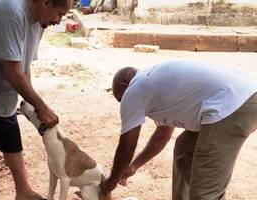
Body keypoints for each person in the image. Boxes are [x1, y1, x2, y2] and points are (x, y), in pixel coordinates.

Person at [0, 0, 71, 199]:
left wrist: (34, 104)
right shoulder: (12, 13)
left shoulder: (39, 21)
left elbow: (23, 67)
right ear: (46, 3)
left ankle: (23, 191)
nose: (58, 21)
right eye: (59, 14)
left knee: (8, 129)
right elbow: (14, 74)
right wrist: (41, 107)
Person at [100, 60, 257, 200]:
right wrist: (134, 166)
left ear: (124, 86)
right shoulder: (154, 83)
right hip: (241, 98)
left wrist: (109, 184)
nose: (123, 103)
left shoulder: (135, 90)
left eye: (120, 99)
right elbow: (162, 135)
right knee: (184, 148)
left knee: (205, 192)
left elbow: (126, 147)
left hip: (234, 104)